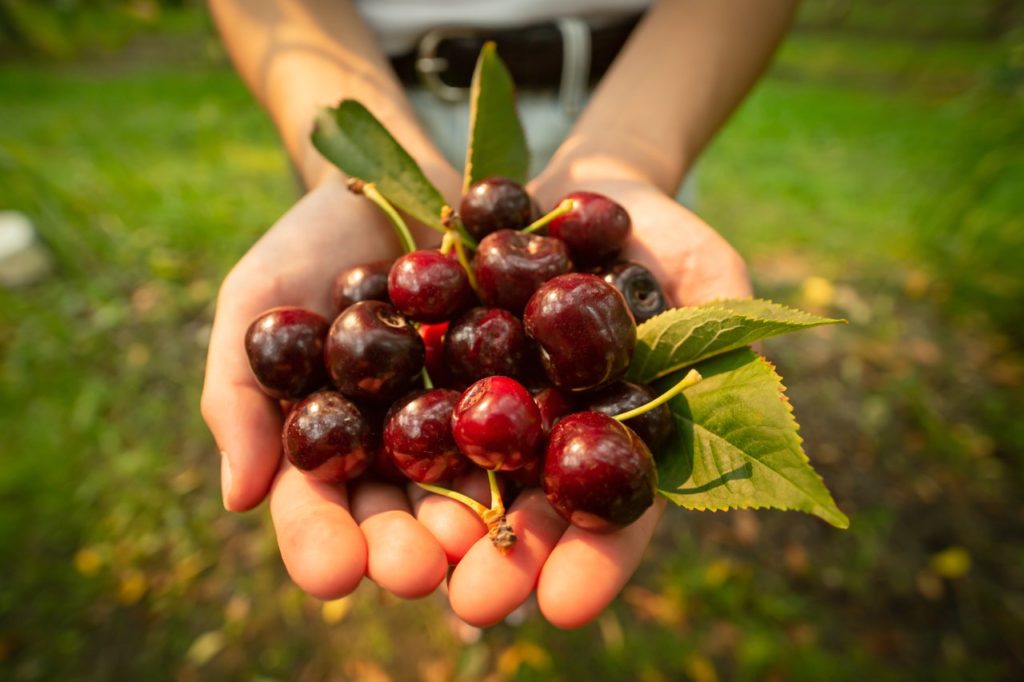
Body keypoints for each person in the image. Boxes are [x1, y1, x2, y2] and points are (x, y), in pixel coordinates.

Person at [202, 0, 798, 629]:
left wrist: (635, 155)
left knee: (521, 550)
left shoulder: (550, 319)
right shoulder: (429, 327)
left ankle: (497, 599)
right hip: (381, 96)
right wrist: (347, 173)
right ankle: (485, 601)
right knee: (463, 550)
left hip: (647, 99)